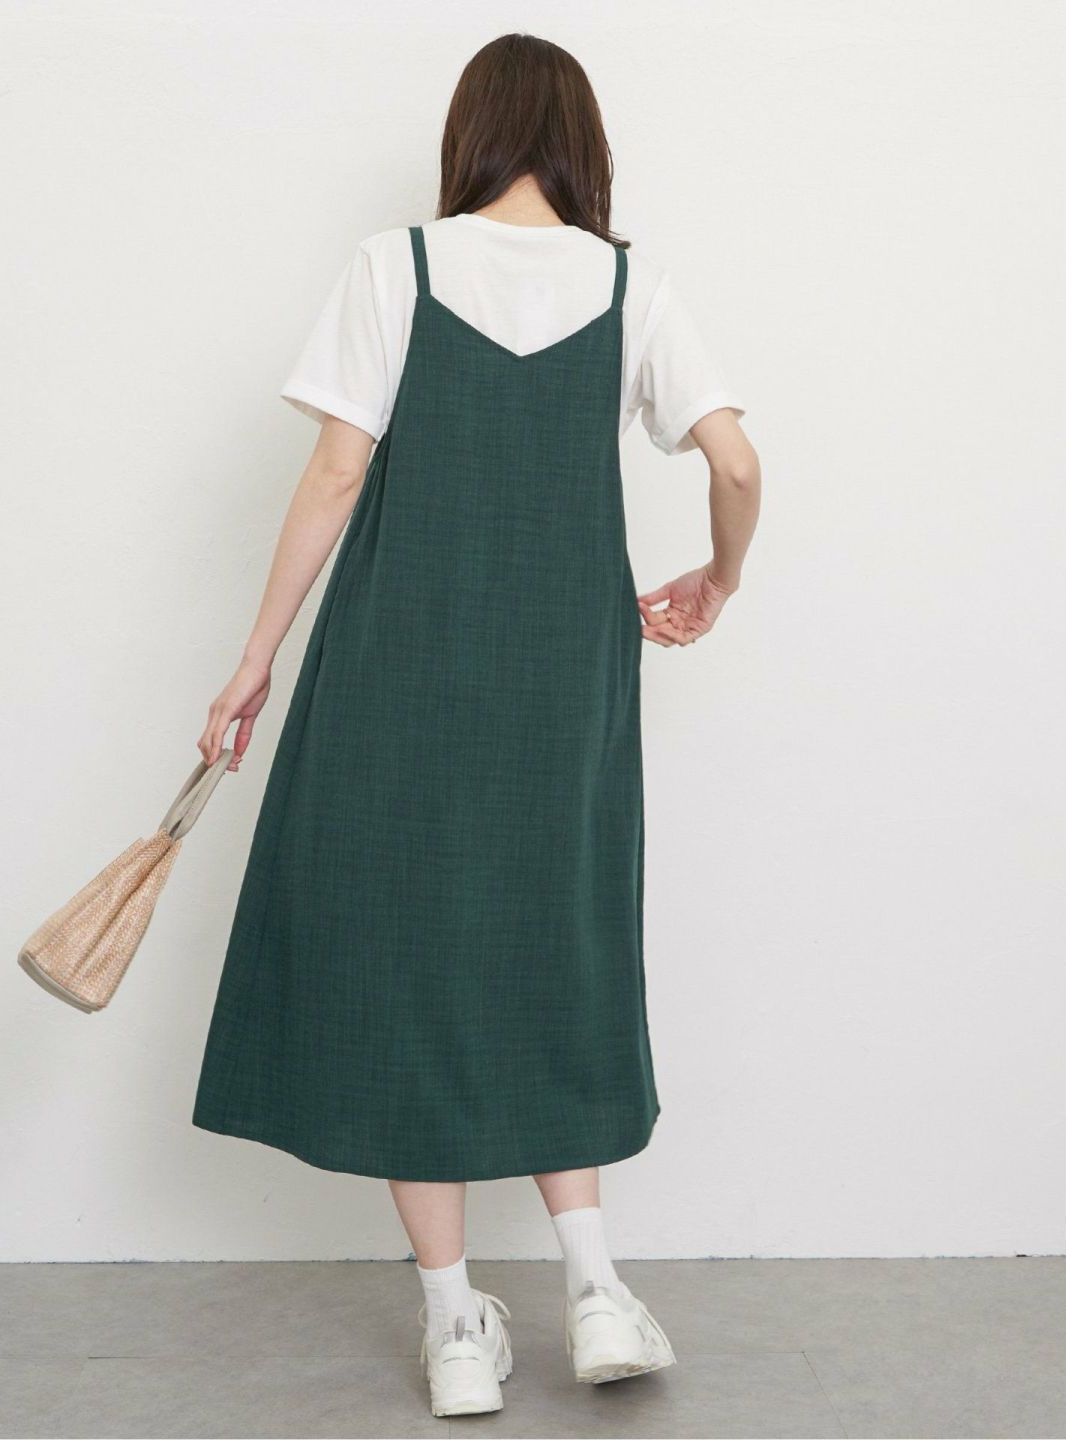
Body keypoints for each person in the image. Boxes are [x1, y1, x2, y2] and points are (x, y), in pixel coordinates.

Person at [190, 32, 760, 1420]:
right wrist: (719, 576)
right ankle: (594, 1289)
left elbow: (336, 475)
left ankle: (454, 1324)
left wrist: (254, 661)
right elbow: (737, 461)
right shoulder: (631, 286)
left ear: (472, 135)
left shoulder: (396, 267)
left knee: (406, 957)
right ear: (582, 144)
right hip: (565, 680)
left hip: (398, 667)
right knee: (558, 939)